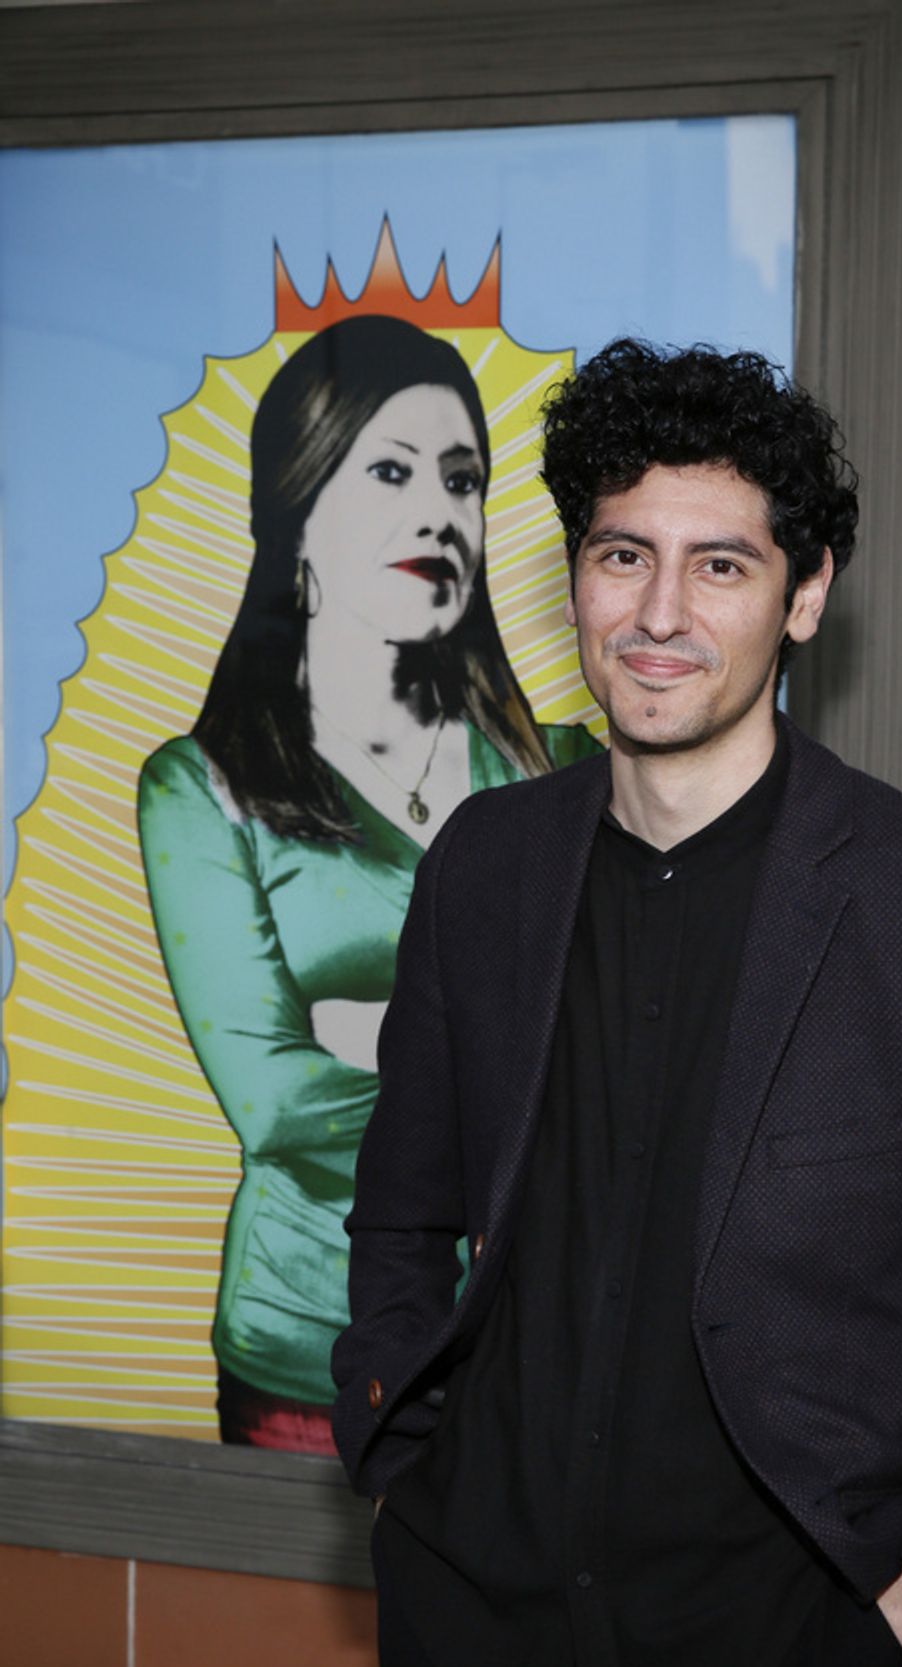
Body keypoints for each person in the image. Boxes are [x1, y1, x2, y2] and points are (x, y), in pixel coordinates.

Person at [333, 339, 902, 1667]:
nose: (659, 614)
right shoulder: (485, 867)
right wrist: (399, 1475)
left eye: (721, 566)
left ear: (805, 593)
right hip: (469, 1645)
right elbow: (400, 1209)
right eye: (623, 555)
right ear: (573, 577)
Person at [138, 315, 597, 1455]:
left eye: (462, 479)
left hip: (542, 1340)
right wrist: (509, 1079)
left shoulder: (567, 770)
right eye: (390, 472)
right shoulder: (202, 789)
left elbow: (627, 1048)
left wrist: (370, 1031)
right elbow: (275, 1101)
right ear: (297, 511)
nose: (438, 511)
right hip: (310, 1343)